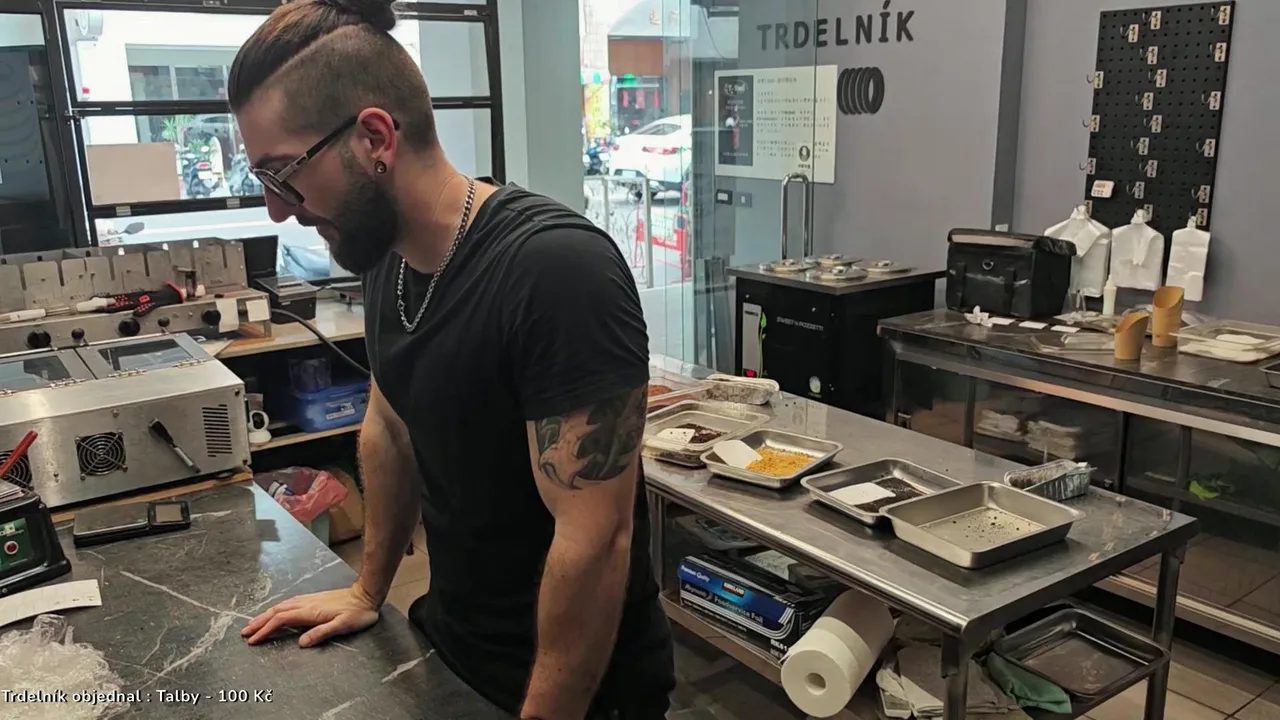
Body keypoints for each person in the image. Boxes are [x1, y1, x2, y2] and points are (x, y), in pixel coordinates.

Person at [226, 0, 676, 718]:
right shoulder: (387, 257)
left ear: (375, 137)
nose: (279, 209)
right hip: (452, 647)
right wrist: (368, 590)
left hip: (575, 692)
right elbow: (390, 425)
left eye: (284, 174)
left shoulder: (556, 270)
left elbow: (596, 538)